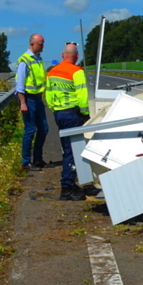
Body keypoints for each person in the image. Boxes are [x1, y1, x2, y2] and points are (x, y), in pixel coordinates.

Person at [46, 43, 93, 201]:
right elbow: (82, 95)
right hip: (72, 114)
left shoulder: (52, 72)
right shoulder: (77, 72)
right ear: (77, 56)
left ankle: (76, 182)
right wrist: (86, 114)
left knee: (68, 148)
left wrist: (55, 110)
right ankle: (67, 186)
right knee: (73, 150)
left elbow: (48, 95)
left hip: (59, 113)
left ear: (62, 55)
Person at [16, 34, 48, 171]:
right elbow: (20, 85)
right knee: (30, 130)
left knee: (44, 128)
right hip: (28, 99)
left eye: (43, 43)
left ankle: (38, 159)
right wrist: (22, 103)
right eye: (40, 44)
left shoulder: (38, 59)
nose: (42, 46)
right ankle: (26, 162)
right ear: (32, 44)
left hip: (37, 98)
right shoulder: (25, 61)